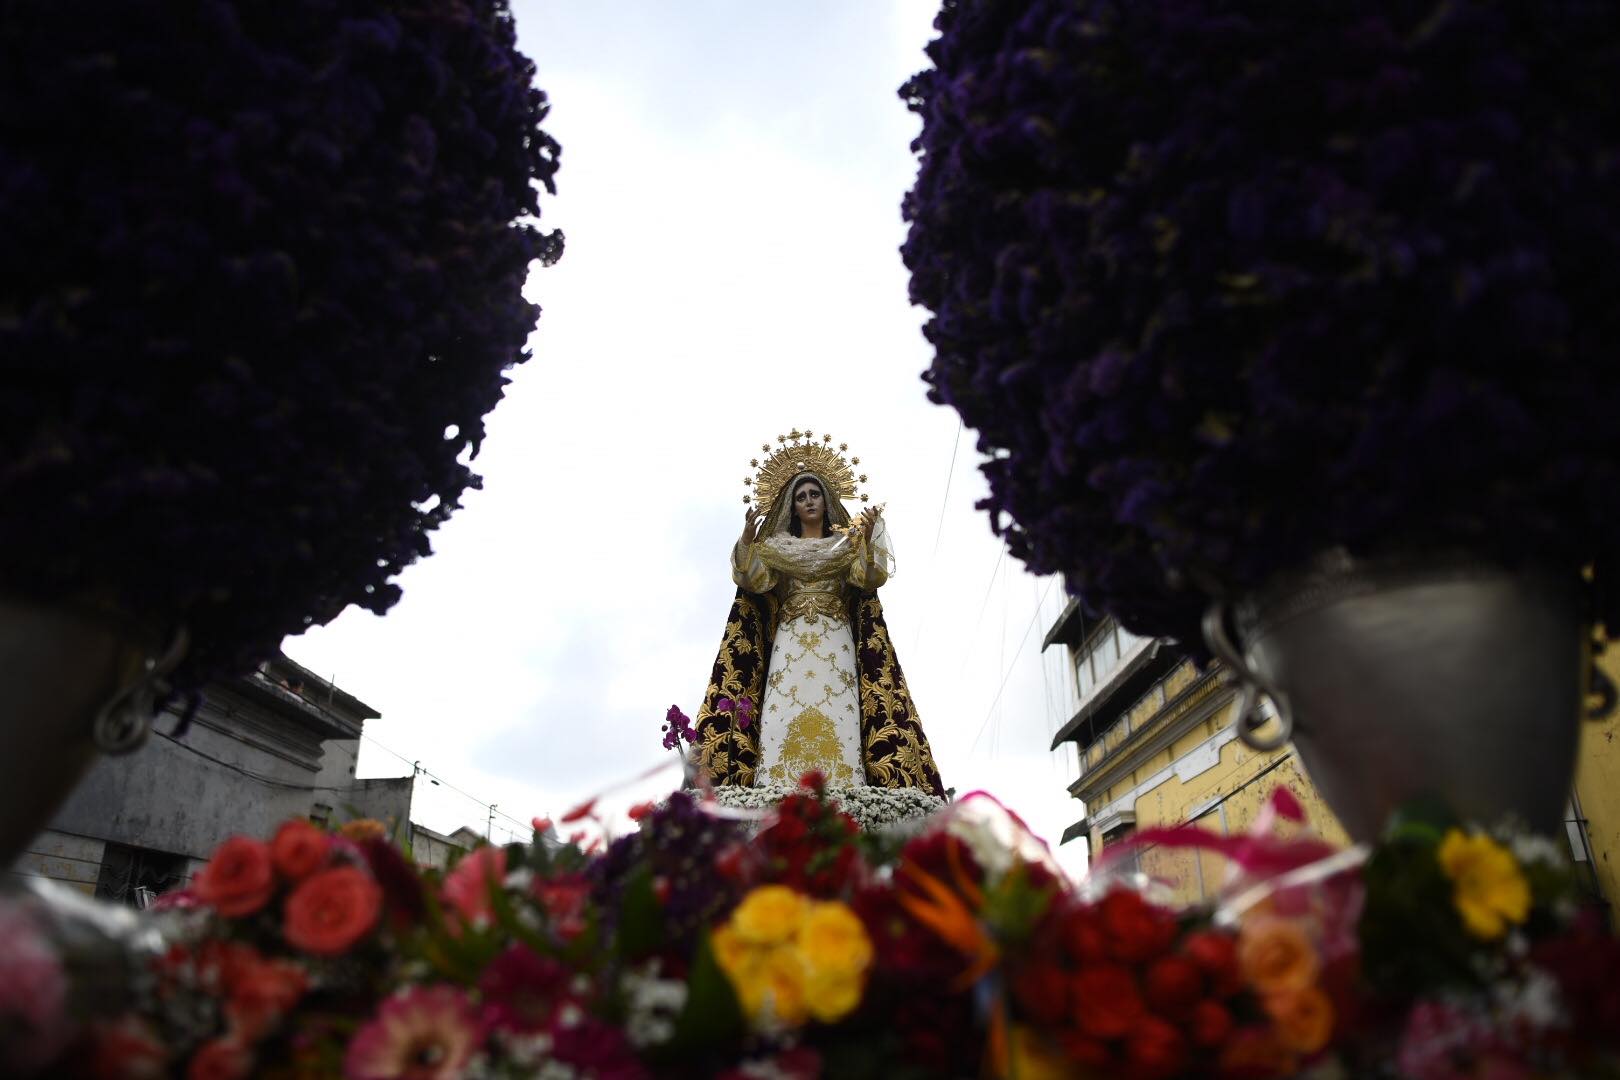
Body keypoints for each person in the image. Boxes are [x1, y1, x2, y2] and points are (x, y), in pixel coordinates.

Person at [693, 434, 943, 795]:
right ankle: (780, 796)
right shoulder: (776, 548)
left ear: (827, 500)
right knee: (784, 711)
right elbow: (751, 580)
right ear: (792, 507)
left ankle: (844, 794)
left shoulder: (848, 545)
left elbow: (870, 578)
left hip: (835, 641)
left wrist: (870, 539)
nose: (808, 501)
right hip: (790, 644)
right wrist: (748, 538)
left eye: (814, 494)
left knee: (840, 713)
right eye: (800, 497)